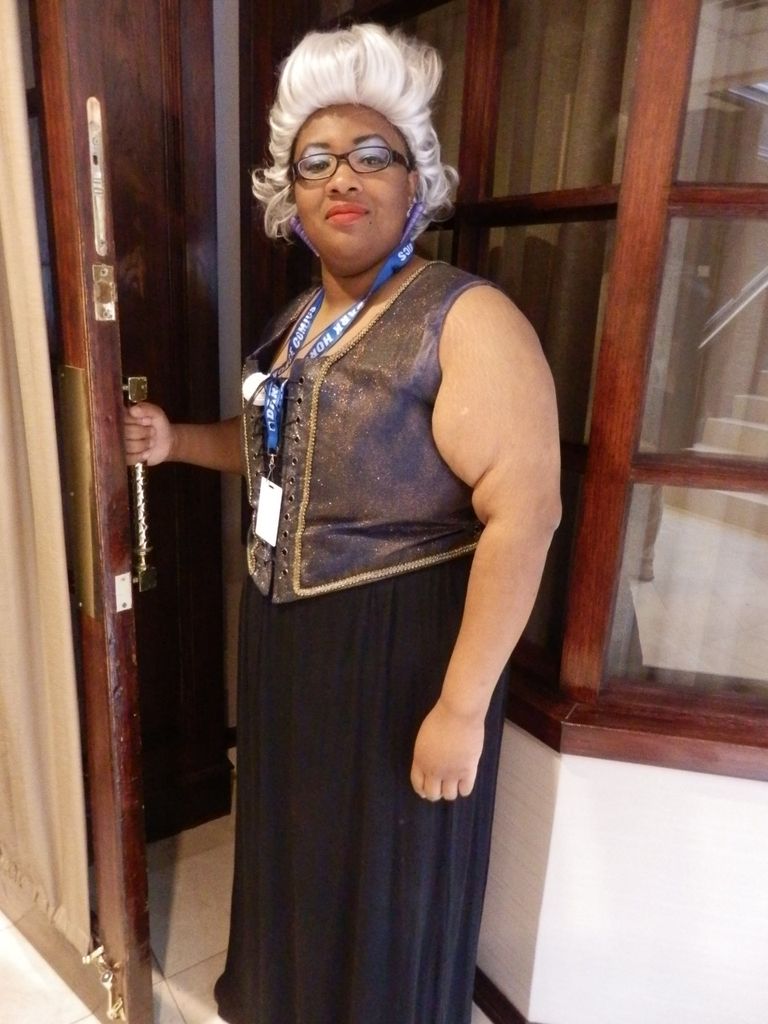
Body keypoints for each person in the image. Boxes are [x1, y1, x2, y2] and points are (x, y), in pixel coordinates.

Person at [124, 22, 560, 1024]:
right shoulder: (296, 322)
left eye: (372, 154)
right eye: (315, 162)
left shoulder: (465, 317)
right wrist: (175, 441)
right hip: (289, 638)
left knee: (385, 874)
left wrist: (461, 708)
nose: (342, 178)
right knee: (299, 846)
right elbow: (279, 453)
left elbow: (525, 515)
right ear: (292, 197)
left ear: (417, 181)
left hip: (402, 652)